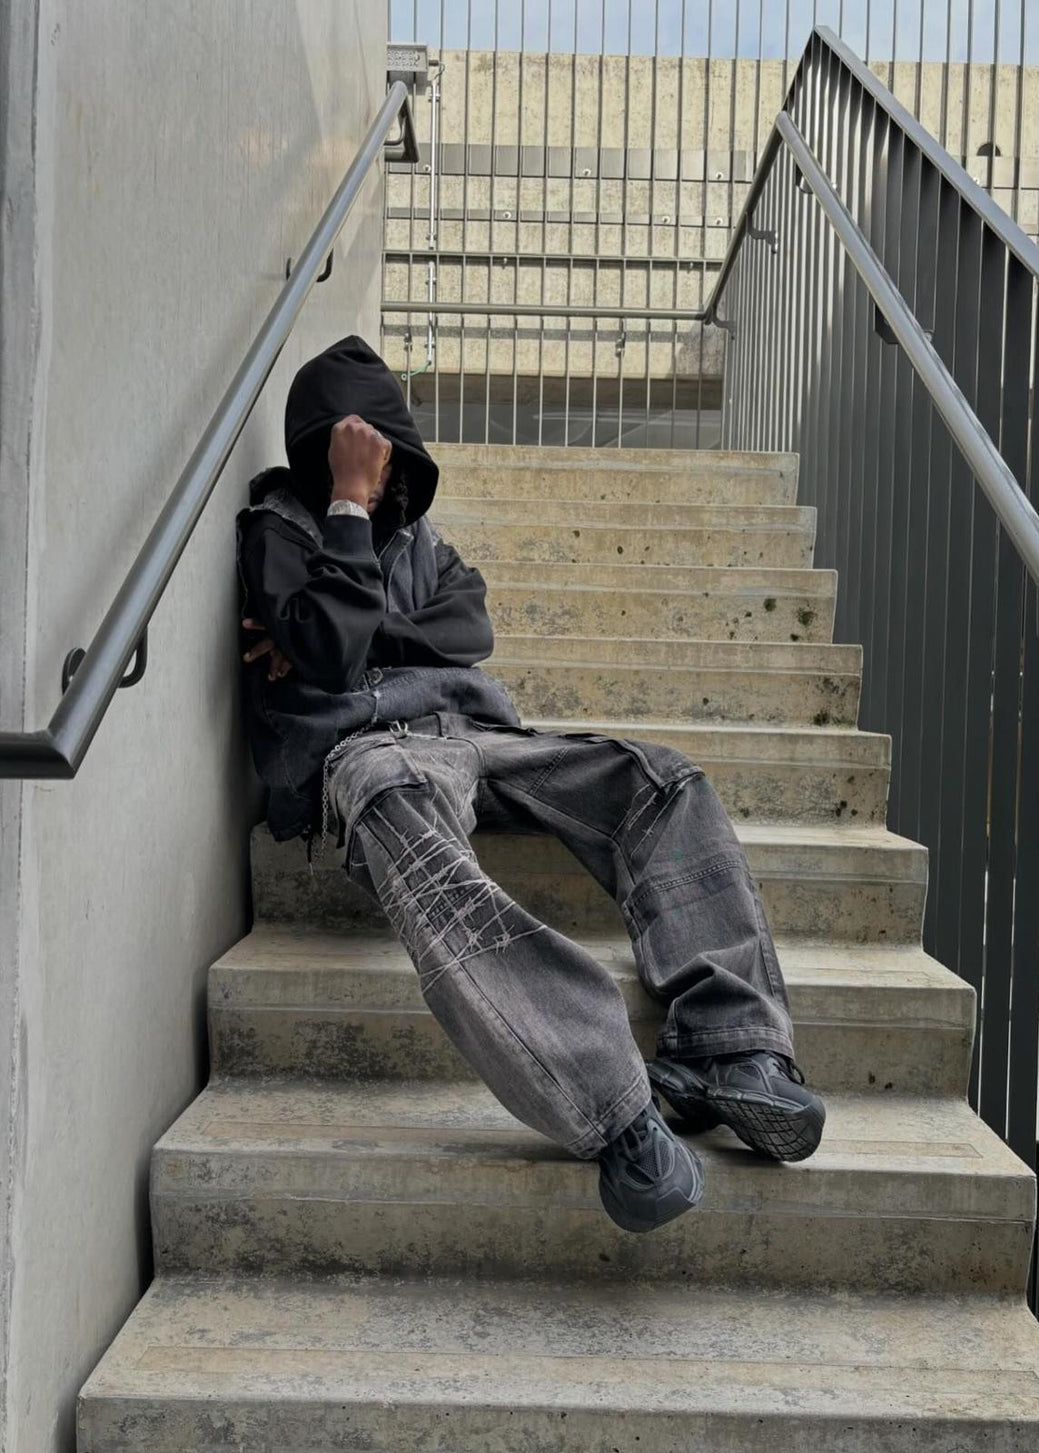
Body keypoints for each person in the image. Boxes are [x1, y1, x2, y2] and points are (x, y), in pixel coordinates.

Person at [235, 335, 826, 1236]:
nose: (381, 479)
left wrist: (341, 627)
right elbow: (330, 650)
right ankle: (614, 1107)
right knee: (402, 813)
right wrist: (344, 516)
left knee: (660, 777)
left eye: (385, 463)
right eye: (362, 462)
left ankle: (732, 1045)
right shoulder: (279, 527)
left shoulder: (425, 541)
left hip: (475, 733)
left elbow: (466, 627)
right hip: (368, 750)